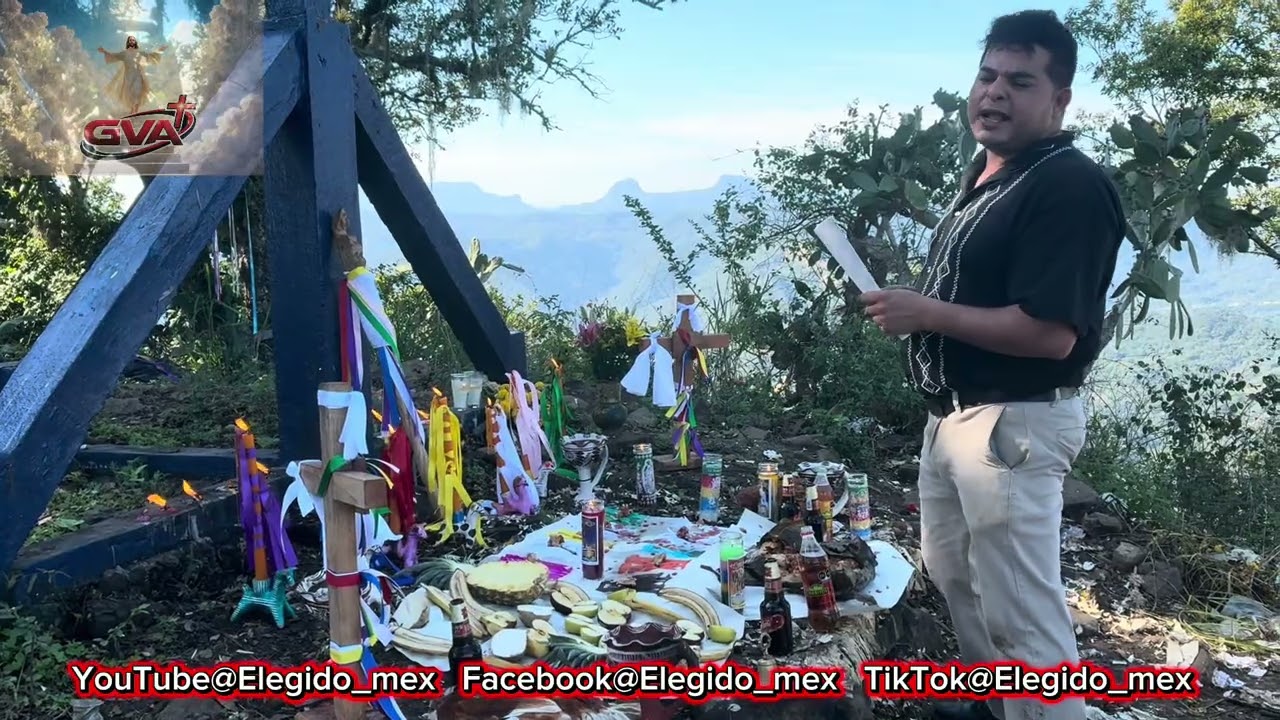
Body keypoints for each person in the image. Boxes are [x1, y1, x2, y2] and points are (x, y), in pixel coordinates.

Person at [859, 10, 1124, 720]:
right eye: (987, 76)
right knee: (957, 576)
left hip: (1014, 424)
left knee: (1022, 615)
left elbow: (1050, 336)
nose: (995, 93)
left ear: (1059, 99)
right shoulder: (992, 171)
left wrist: (926, 315)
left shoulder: (1068, 186)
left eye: (1020, 81)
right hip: (954, 419)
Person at [98, 36, 169, 116]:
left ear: (135, 42)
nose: (132, 41)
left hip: (138, 75)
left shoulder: (140, 53)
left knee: (137, 91)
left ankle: (136, 110)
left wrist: (160, 50)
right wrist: (104, 51)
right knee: (129, 93)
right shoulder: (124, 53)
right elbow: (114, 56)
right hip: (128, 76)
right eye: (130, 40)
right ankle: (132, 110)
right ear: (128, 42)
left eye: (133, 40)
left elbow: (150, 56)